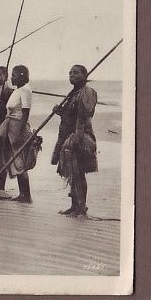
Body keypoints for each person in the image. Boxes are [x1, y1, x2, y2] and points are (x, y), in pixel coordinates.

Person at [52, 65, 98, 216]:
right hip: (69, 136)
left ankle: (81, 207)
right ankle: (74, 206)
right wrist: (61, 111)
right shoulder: (74, 93)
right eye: (70, 72)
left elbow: (82, 117)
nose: (72, 75)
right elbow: (70, 116)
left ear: (85, 75)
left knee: (78, 173)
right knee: (72, 172)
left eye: (76, 73)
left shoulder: (87, 92)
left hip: (81, 137)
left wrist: (77, 140)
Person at [0, 65, 34, 203]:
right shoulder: (18, 90)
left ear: (21, 76)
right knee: (16, 160)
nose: (11, 78)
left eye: (13, 75)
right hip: (12, 125)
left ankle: (27, 195)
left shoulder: (25, 90)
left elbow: (25, 113)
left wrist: (19, 133)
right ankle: (22, 194)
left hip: (19, 127)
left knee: (20, 162)